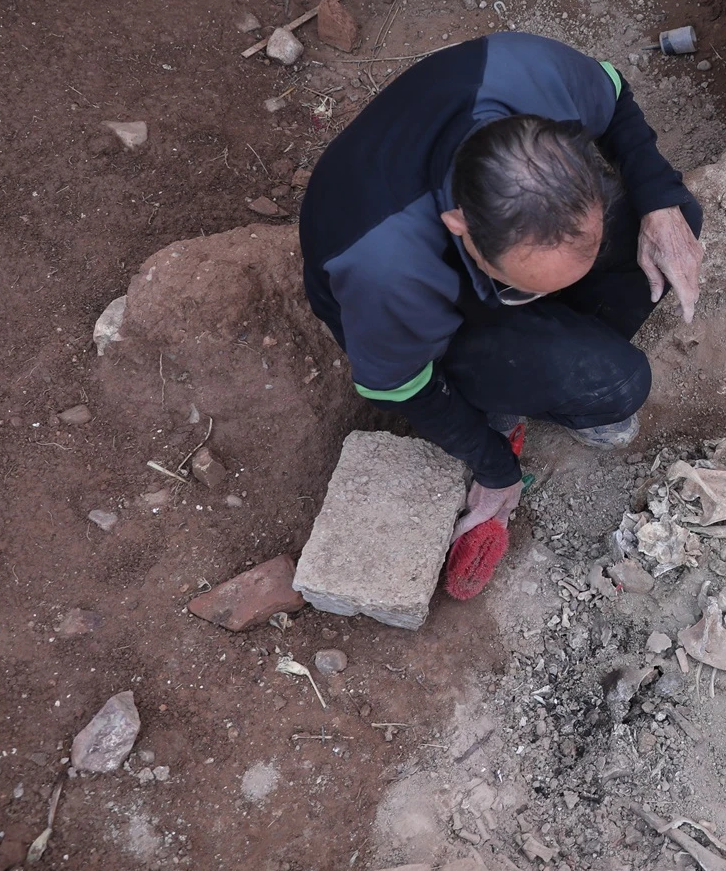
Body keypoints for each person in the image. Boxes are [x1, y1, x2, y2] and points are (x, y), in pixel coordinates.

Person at [299, 32, 703, 598]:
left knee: (673, 221)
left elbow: (617, 102)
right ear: (460, 226)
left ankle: (545, 346)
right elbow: (399, 387)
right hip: (423, 310)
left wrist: (660, 203)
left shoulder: (528, 75)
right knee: (616, 384)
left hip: (483, 241)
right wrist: (494, 468)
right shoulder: (391, 272)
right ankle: (512, 382)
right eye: (522, 288)